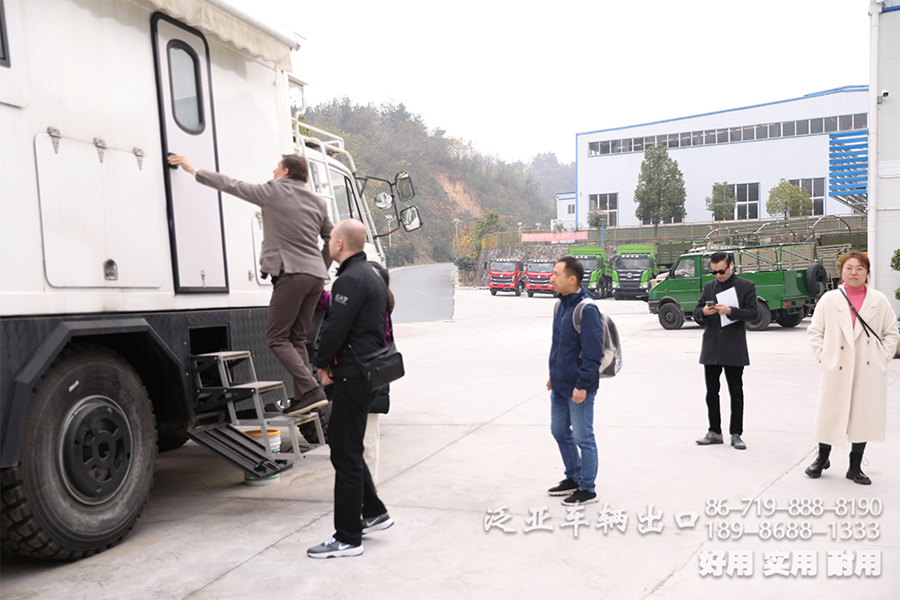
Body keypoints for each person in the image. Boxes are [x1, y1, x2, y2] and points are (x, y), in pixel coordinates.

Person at [167, 154, 332, 416]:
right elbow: (331, 237)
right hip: (315, 278)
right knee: (297, 338)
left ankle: (312, 390)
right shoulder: (318, 201)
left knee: (276, 338)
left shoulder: (273, 191)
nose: (273, 171)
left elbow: (231, 184)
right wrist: (320, 265)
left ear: (286, 172)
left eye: (277, 167)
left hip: (291, 274)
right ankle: (303, 397)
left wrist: (192, 169)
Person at [308, 219, 393, 558]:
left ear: (340, 244)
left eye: (330, 239)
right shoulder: (371, 275)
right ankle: (374, 512)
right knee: (348, 449)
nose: (328, 243)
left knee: (343, 452)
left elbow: (335, 328)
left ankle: (347, 537)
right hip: (367, 372)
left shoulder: (350, 279)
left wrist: (320, 362)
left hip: (352, 375)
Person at [805, 250, 899, 485]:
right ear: (841, 271)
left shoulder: (878, 300)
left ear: (867, 272)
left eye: (859, 268)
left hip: (868, 369)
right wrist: (825, 357)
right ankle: (822, 458)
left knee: (862, 416)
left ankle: (855, 466)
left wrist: (882, 358)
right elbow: (815, 332)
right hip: (836, 367)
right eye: (849, 268)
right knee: (830, 413)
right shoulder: (830, 299)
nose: (854, 272)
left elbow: (891, 332)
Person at [545, 256, 602, 506]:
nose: (552, 278)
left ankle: (587, 488)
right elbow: (559, 345)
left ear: (572, 279)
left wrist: (582, 385)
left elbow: (592, 353)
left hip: (579, 387)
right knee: (558, 431)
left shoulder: (586, 309)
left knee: (583, 437)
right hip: (560, 384)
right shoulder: (560, 306)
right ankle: (573, 476)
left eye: (556, 274)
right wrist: (554, 374)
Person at [692, 251, 758, 450]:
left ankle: (736, 434)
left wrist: (731, 311)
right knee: (711, 393)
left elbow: (754, 314)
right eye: (714, 272)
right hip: (712, 346)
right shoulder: (708, 287)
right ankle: (714, 431)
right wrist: (704, 312)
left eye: (721, 271)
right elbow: (696, 312)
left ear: (731, 266)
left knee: (736, 393)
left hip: (733, 346)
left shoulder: (746, 286)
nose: (718, 276)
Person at [365, 261, 394, 485]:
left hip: (370, 381)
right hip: (374, 382)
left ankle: (369, 486)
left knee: (367, 439)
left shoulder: (376, 311)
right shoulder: (382, 306)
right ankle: (368, 485)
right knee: (368, 437)